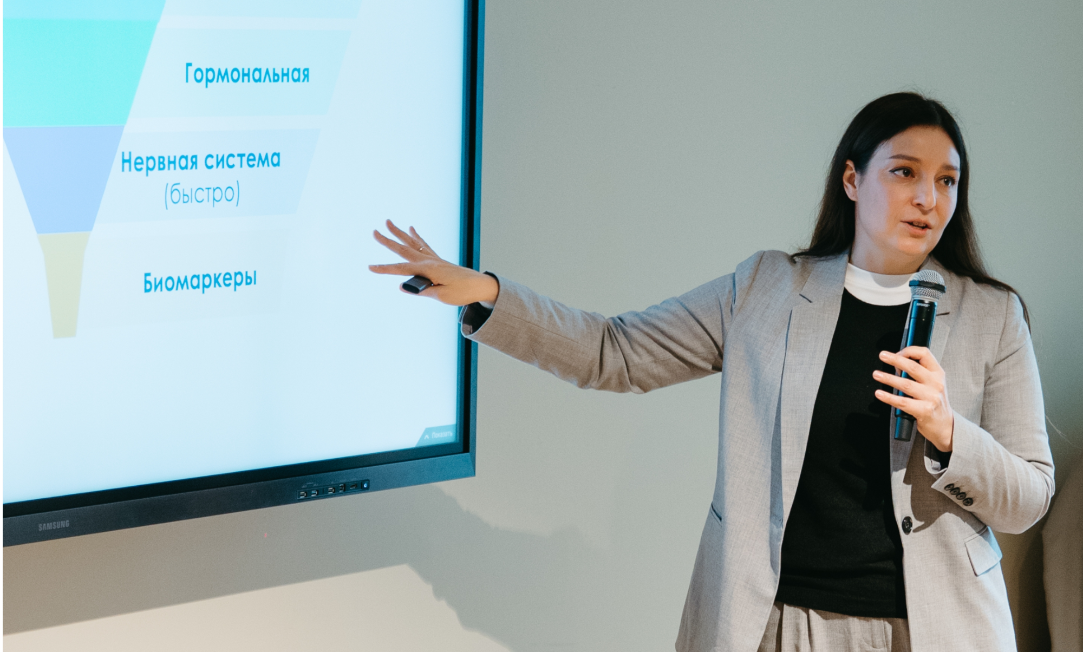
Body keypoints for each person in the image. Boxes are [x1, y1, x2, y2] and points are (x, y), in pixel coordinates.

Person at [368, 92, 1054, 652]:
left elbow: (1028, 499)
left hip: (932, 631)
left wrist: (948, 431)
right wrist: (488, 295)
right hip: (774, 626)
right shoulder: (765, 290)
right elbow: (615, 352)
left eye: (946, 181)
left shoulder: (992, 317)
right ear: (852, 179)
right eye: (904, 172)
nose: (928, 197)